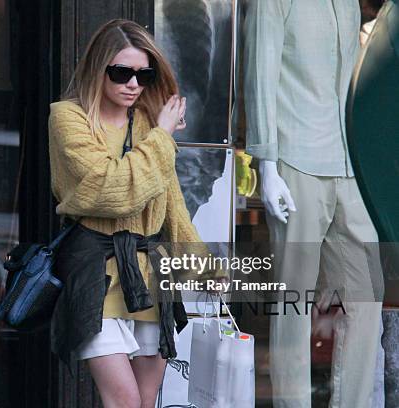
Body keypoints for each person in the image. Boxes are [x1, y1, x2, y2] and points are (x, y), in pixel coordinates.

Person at [48, 19, 222, 408]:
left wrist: (204, 268)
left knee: (145, 401)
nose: (133, 84)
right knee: (124, 401)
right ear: (98, 68)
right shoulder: (67, 118)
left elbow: (172, 205)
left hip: (150, 274)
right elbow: (113, 191)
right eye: (121, 72)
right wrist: (162, 137)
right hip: (95, 272)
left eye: (144, 75)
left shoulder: (145, 122)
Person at [244, 1, 383, 407]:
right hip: (296, 157)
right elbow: (260, 74)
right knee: (294, 300)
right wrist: (267, 163)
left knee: (366, 296)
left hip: (350, 163)